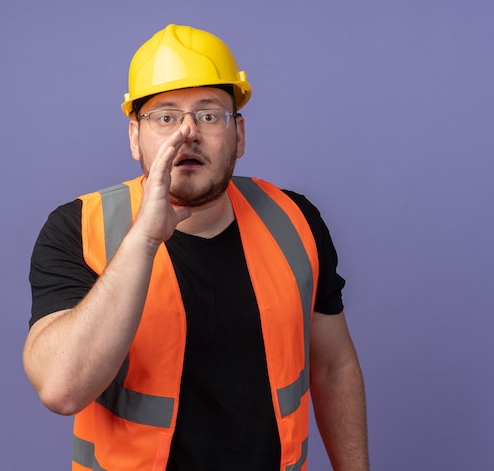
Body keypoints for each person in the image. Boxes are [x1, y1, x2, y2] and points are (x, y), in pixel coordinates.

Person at [24, 24, 369, 471]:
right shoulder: (79, 229)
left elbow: (333, 367)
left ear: (239, 135)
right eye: (165, 117)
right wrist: (145, 238)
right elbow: (61, 388)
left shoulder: (296, 220)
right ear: (134, 136)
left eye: (209, 115)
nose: (187, 133)